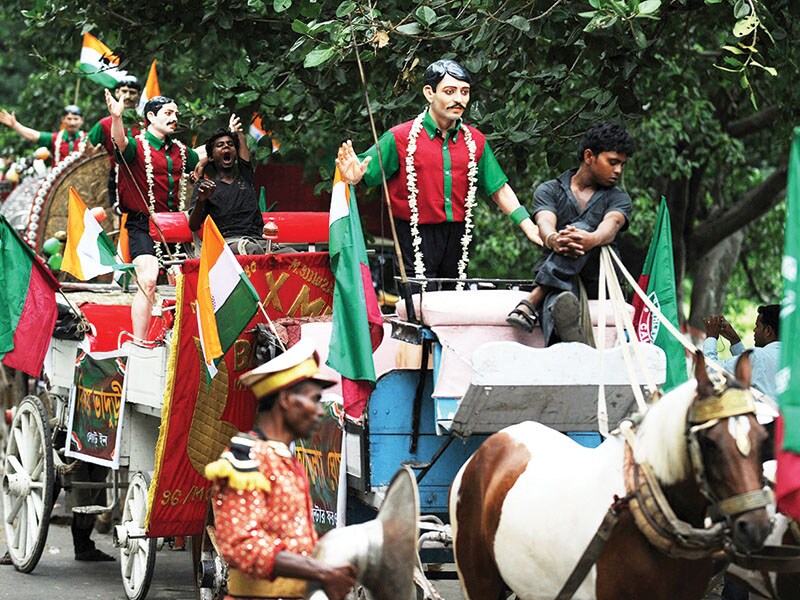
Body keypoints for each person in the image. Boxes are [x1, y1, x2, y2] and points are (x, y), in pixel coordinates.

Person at [336, 59, 540, 289]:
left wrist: (528, 225)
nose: (459, 99)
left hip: (458, 235)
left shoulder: (475, 141)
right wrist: (354, 175)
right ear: (429, 93)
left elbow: (498, 188)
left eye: (465, 92)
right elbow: (365, 169)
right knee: (422, 300)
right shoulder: (400, 137)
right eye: (450, 91)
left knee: (454, 302)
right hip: (415, 233)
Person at [205, 339, 357, 600]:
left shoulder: (285, 459)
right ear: (286, 400)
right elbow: (243, 545)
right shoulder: (246, 460)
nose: (321, 412)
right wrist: (320, 571)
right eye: (314, 400)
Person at [505, 122, 636, 346]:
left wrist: (591, 239)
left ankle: (534, 298)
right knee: (559, 302)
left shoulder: (618, 198)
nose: (618, 171)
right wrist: (552, 239)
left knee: (583, 229)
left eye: (622, 164)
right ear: (589, 156)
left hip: (599, 277)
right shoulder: (549, 190)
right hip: (563, 281)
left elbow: (611, 225)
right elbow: (545, 221)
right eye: (613, 162)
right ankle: (572, 342)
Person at [106, 90, 200, 341]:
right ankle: (139, 343)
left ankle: (182, 342)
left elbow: (202, 156)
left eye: (176, 114)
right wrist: (117, 118)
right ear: (151, 116)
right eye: (168, 113)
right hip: (142, 224)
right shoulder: (136, 146)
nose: (174, 118)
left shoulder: (180, 151)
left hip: (177, 227)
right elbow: (120, 143)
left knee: (184, 285)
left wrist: (231, 138)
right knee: (147, 281)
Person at [188, 115, 266, 255]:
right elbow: (193, 225)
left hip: (258, 242)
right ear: (211, 157)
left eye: (230, 145)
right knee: (252, 250)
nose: (226, 146)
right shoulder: (205, 186)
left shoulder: (245, 178)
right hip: (225, 245)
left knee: (295, 257)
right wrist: (201, 200)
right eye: (220, 145)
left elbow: (244, 155)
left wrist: (236, 132)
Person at [703, 304, 781, 400]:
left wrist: (711, 336)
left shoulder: (757, 356)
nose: (754, 330)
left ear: (768, 331)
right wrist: (735, 340)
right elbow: (753, 369)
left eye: (757, 326)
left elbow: (710, 373)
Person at [86, 76, 142, 209]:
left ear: (139, 95)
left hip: (143, 176)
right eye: (124, 91)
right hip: (114, 178)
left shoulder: (146, 123)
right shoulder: (104, 124)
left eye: (132, 93)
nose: (127, 96)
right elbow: (86, 149)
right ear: (116, 93)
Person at [0, 105, 86, 167]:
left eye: (76, 119)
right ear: (63, 120)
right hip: (58, 182)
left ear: (82, 120)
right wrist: (15, 125)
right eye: (69, 119)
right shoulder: (55, 138)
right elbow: (33, 135)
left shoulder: (87, 139)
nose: (72, 123)